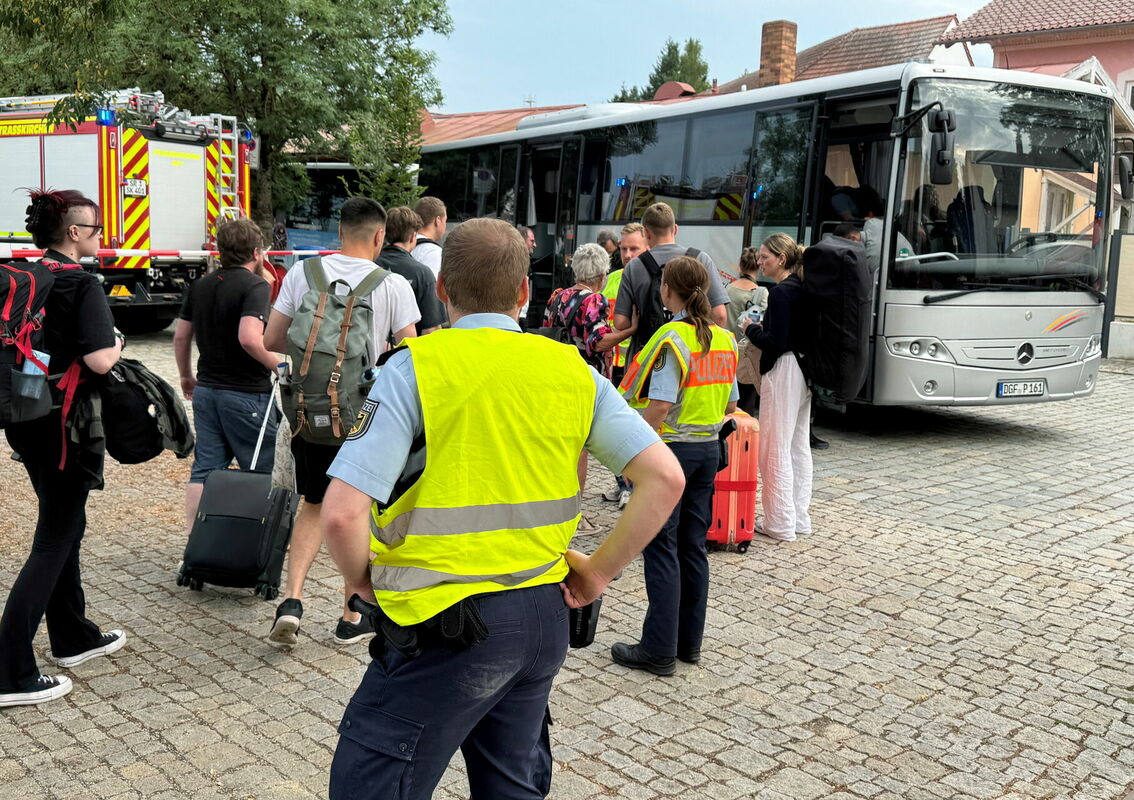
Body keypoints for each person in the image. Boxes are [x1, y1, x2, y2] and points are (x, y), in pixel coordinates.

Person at [320, 217, 685, 799]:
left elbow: (341, 513)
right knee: (512, 785)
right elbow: (664, 479)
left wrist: (362, 580)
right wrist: (596, 573)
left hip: (444, 623)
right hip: (541, 615)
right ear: (524, 291)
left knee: (370, 785)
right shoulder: (571, 369)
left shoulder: (415, 367)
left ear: (442, 289)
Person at [263, 197, 420, 647]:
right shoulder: (393, 285)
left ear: (339, 232)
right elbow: (411, 356)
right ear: (380, 236)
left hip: (308, 415)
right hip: (362, 419)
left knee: (313, 505)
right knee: (357, 510)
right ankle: (353, 614)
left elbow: (273, 339)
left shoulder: (302, 273)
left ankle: (291, 601)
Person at [0, 189, 126, 707]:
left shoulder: (33, 276)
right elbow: (99, 360)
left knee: (65, 523)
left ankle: (73, 635)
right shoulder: (82, 283)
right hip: (66, 425)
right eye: (95, 229)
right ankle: (10, 670)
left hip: (28, 415)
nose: (101, 237)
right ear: (74, 233)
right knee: (56, 535)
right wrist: (118, 342)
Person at [612, 255, 738, 676]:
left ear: (666, 291)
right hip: (708, 453)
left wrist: (634, 451)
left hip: (672, 452)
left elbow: (660, 407)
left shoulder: (672, 340)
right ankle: (688, 644)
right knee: (692, 546)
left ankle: (658, 648)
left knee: (661, 546)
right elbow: (732, 404)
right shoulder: (725, 339)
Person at [174, 219, 281, 530]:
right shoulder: (255, 286)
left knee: (204, 469)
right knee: (262, 467)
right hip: (247, 393)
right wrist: (279, 365)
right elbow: (249, 338)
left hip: (207, 390)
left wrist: (186, 376)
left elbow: (181, 337)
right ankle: (259, 538)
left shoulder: (201, 285)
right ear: (257, 252)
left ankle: (196, 540)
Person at [744, 233, 812, 542]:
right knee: (797, 445)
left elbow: (775, 341)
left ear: (781, 259)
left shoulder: (782, 292)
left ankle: (779, 521)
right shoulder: (802, 288)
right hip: (803, 369)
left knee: (775, 446)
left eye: (765, 257)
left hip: (783, 369)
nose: (760, 262)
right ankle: (798, 517)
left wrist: (751, 329)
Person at [613, 202, 729, 364]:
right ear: (675, 229)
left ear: (646, 232)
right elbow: (720, 316)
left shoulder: (634, 266)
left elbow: (620, 322)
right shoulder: (700, 259)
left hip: (647, 358)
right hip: (692, 358)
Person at [542, 242, 635, 377]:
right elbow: (598, 342)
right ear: (601, 276)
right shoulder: (594, 300)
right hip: (585, 376)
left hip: (559, 372)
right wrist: (630, 331)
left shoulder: (557, 297)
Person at [378, 206, 447, 335]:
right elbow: (431, 330)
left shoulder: (370, 265)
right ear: (412, 236)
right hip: (407, 346)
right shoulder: (423, 274)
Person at [726, 247, 769, 416]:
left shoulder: (727, 289)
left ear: (740, 265)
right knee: (745, 408)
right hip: (748, 357)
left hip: (727, 354)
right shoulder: (761, 293)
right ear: (758, 266)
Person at [411, 196, 446, 279]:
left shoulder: (404, 244)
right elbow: (432, 284)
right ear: (437, 220)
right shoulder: (434, 252)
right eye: (445, 220)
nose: (445, 225)